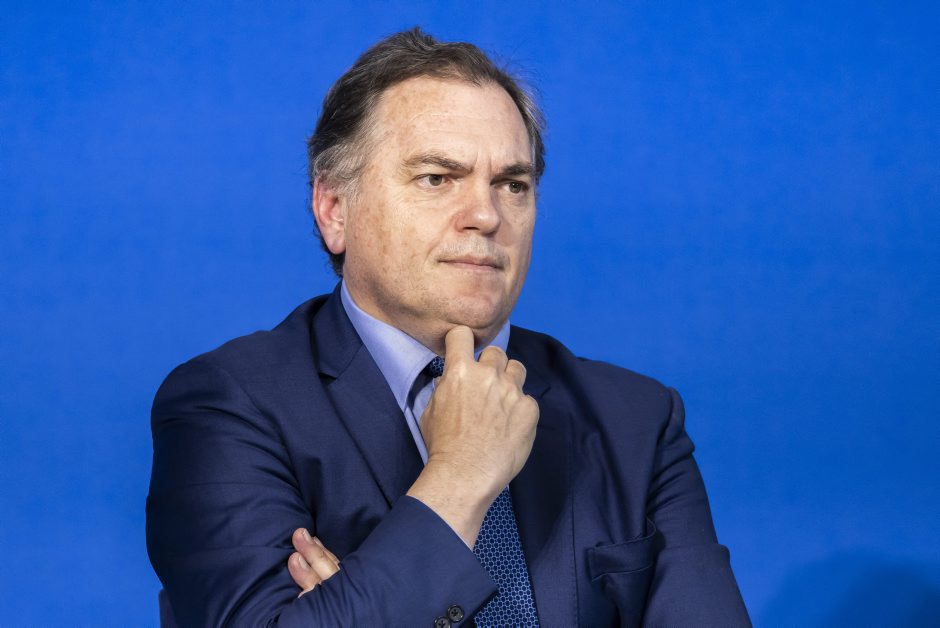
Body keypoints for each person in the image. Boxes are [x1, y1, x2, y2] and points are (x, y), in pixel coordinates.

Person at [146, 28, 750, 627]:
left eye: (513, 184)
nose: (486, 215)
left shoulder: (637, 421)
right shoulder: (226, 406)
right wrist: (460, 476)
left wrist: (356, 605)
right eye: (437, 178)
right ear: (334, 210)